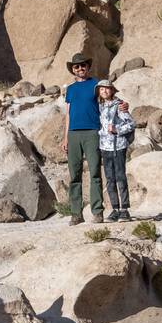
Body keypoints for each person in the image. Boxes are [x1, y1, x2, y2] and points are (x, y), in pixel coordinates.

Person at [63, 53, 103, 225]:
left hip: (92, 132)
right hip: (73, 134)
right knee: (74, 175)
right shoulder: (70, 89)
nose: (80, 69)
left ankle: (97, 212)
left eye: (83, 65)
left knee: (94, 172)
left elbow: (107, 102)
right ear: (73, 70)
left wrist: (123, 106)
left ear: (88, 67)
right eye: (76, 66)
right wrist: (65, 138)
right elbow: (67, 114)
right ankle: (76, 214)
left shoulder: (96, 85)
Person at [96, 79, 134, 221]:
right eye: (101, 89)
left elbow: (131, 124)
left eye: (107, 88)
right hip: (104, 147)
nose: (104, 91)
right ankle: (115, 209)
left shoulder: (119, 106)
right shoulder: (99, 106)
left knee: (120, 176)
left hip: (118, 146)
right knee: (110, 179)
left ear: (112, 90)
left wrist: (117, 129)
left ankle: (124, 209)